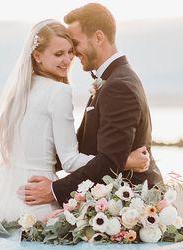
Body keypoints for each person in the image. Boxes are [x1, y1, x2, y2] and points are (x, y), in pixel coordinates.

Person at [0, 19, 150, 221]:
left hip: (5, 194)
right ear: (37, 56)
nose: (67, 60)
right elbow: (69, 160)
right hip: (37, 199)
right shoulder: (59, 91)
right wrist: (124, 161)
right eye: (59, 54)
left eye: (70, 52)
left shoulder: (20, 91)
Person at [20, 3, 163, 208]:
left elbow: (109, 162)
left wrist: (54, 190)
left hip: (129, 203)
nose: (73, 55)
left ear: (98, 37)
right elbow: (87, 150)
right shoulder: (112, 79)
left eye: (75, 44)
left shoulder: (118, 86)